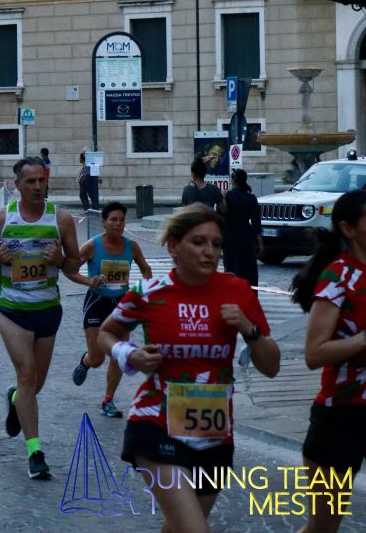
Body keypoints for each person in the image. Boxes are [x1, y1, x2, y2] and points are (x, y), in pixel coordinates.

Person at [99, 204, 279, 533]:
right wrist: (130, 355)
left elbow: (271, 366)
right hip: (155, 423)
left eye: (216, 243)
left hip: (214, 434)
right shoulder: (148, 293)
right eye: (198, 242)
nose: (210, 251)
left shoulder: (237, 291)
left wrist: (248, 329)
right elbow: (106, 333)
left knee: (179, 526)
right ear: (173, 246)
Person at [0, 156, 81, 480]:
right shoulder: (1, 218)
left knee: (35, 384)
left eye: (41, 180)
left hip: (47, 308)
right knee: (27, 374)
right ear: (17, 185)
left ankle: (16, 399)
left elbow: (74, 264)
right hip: (12, 307)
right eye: (30, 181)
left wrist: (60, 258)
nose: (37, 186)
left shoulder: (61, 220)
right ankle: (35, 452)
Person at [292, 190, 366, 533]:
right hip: (341, 416)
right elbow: (314, 353)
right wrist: (362, 340)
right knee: (324, 525)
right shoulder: (337, 277)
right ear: (348, 229)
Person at [63, 202, 152, 417]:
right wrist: (89, 281)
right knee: (97, 359)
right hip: (97, 302)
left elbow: (146, 270)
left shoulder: (132, 247)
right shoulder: (92, 246)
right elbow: (69, 270)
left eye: (122, 220)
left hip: (121, 304)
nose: (118, 224)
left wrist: (143, 291)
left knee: (118, 354)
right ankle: (85, 362)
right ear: (104, 222)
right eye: (113, 220)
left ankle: (108, 400)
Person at [222, 169, 262, 286]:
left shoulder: (227, 196)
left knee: (231, 268)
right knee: (248, 270)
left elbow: (221, 215)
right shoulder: (251, 198)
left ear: (233, 180)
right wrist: (260, 242)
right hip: (246, 235)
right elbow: (256, 223)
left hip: (229, 236)